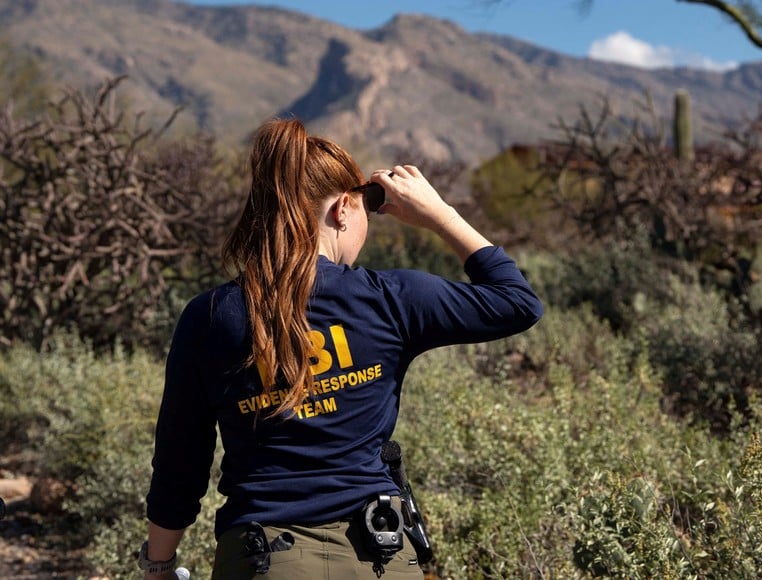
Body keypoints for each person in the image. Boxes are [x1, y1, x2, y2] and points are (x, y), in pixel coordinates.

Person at [140, 118, 543, 579]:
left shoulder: (210, 316)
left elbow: (180, 460)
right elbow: (517, 302)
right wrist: (439, 214)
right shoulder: (390, 298)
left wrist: (159, 564)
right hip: (380, 558)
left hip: (262, 559)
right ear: (344, 209)